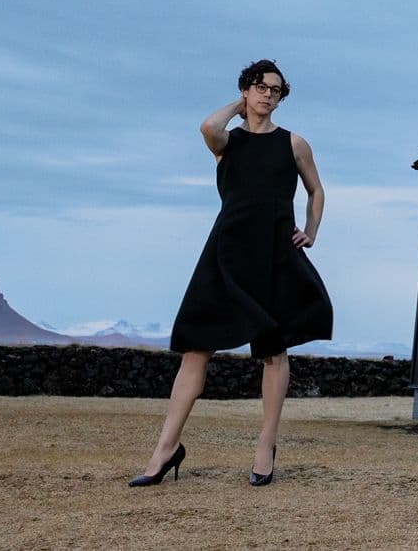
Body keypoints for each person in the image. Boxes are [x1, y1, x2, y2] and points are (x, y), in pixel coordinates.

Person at [131, 60, 333, 487]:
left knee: (274, 351)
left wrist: (311, 231)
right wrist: (238, 106)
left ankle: (266, 444)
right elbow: (207, 125)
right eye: (259, 87)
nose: (267, 95)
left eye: (275, 90)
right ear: (245, 90)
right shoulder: (227, 141)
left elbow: (316, 191)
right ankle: (165, 449)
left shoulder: (295, 144)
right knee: (194, 348)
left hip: (275, 253)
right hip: (226, 252)